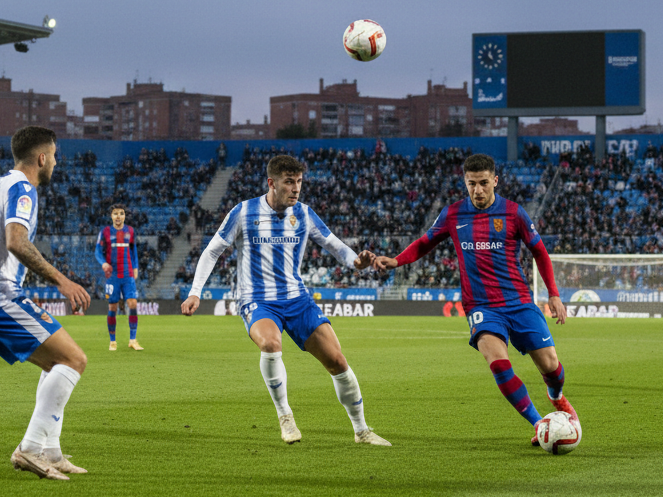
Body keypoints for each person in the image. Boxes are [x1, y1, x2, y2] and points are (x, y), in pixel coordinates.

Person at [180, 154, 389, 447]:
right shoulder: (244, 212)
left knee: (337, 361)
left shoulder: (303, 214)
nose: (296, 188)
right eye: (289, 182)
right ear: (272, 183)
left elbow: (333, 245)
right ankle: (285, 415)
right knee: (270, 343)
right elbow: (213, 250)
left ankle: (362, 431)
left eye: (299, 182)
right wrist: (195, 291)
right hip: (258, 300)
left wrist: (357, 261)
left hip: (297, 299)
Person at [373, 153, 576, 446]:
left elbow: (540, 252)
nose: (478, 190)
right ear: (464, 183)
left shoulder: (514, 213)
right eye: (472, 184)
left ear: (495, 181)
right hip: (481, 306)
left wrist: (554, 294)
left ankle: (555, 396)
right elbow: (425, 242)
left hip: (519, 301)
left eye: (483, 183)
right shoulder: (453, 214)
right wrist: (397, 260)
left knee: (551, 367)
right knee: (497, 363)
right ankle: (541, 424)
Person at [0, 126, 92, 481]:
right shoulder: (23, 189)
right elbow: (16, 241)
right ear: (42, 158)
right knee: (74, 360)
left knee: (54, 364)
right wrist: (63, 280)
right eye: (54, 155)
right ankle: (28, 449)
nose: (56, 162)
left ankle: (52, 452)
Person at [96, 203, 143, 351]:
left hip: (128, 273)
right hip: (113, 275)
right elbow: (98, 251)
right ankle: (112, 341)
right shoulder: (105, 232)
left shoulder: (130, 231)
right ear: (111, 216)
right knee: (113, 307)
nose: (118, 216)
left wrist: (135, 267)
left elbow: (133, 250)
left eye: (121, 213)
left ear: (124, 216)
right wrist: (103, 263)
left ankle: (133, 340)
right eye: (115, 213)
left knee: (133, 304)